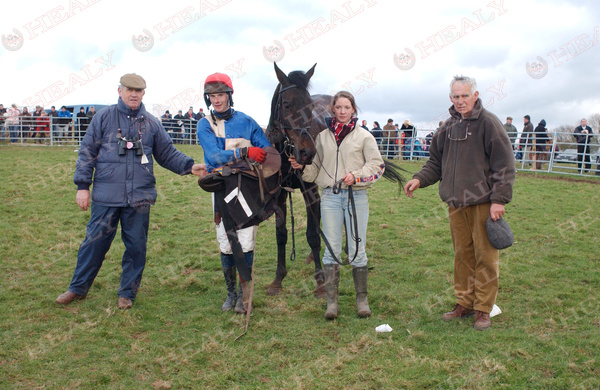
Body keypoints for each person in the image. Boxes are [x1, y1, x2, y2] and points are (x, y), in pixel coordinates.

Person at [55, 73, 206, 309]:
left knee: (136, 247)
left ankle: (127, 293)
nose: (134, 94)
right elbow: (87, 152)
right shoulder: (103, 118)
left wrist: (189, 166)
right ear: (119, 91)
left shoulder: (152, 123)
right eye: (129, 90)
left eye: (138, 91)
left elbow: (167, 153)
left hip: (139, 197)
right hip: (106, 196)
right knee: (93, 244)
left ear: (143, 94)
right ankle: (78, 288)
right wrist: (82, 187)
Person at [403, 75, 515, 331]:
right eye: (455, 96)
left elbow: (505, 165)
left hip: (484, 203)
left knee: (485, 257)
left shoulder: (489, 123)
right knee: (462, 256)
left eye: (465, 95)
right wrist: (419, 179)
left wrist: (499, 199)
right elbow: (435, 162)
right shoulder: (447, 127)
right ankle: (464, 303)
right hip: (456, 204)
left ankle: (483, 309)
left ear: (475, 95)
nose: (460, 101)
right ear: (450, 98)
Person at [290, 90, 384, 320]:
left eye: (347, 107)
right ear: (333, 109)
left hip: (356, 197)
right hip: (330, 197)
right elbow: (316, 170)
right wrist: (302, 169)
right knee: (331, 250)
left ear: (353, 110)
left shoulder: (364, 137)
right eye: (338, 108)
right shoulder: (322, 138)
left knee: (356, 249)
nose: (342, 112)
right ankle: (332, 303)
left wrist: (357, 176)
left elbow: (377, 166)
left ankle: (361, 299)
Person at [196, 72, 271, 314]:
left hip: (247, 188)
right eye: (212, 96)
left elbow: (266, 150)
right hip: (220, 188)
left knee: (246, 241)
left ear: (229, 95)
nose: (216, 100)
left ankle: (244, 297)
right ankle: (231, 293)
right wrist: (244, 153)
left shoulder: (247, 122)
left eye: (220, 95)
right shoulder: (204, 124)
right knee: (226, 242)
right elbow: (214, 157)